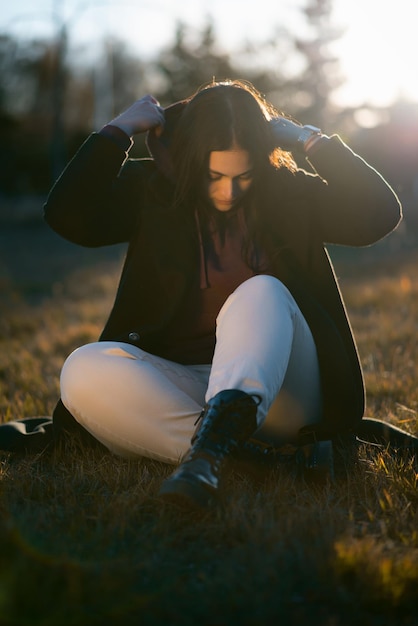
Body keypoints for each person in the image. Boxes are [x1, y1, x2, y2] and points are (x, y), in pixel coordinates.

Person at [3, 79, 405, 508]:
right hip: (186, 391)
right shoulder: (152, 191)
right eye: (214, 176)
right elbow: (68, 215)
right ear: (192, 160)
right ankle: (248, 461)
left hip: (286, 393)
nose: (229, 192)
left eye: (243, 176)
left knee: (261, 292)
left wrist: (309, 139)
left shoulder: (290, 192)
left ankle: (221, 448)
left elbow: (378, 213)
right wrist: (115, 132)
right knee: (81, 368)